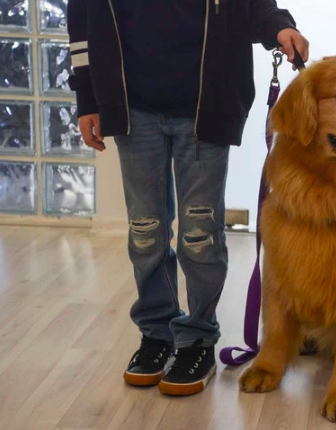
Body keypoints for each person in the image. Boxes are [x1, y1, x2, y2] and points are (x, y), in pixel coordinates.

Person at [67, 0, 309, 396]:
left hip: (206, 105)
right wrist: (88, 99)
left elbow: (255, 7)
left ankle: (197, 336)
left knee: (200, 235)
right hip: (132, 106)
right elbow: (81, 21)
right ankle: (158, 333)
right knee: (146, 231)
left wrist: (280, 28)